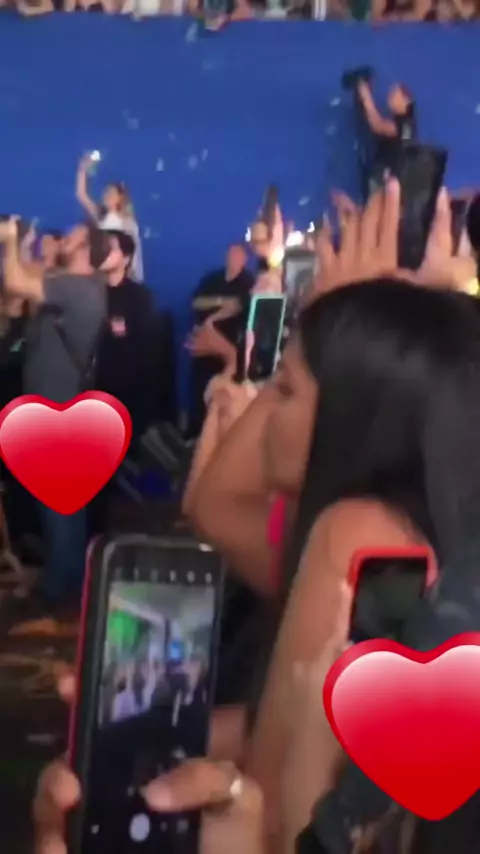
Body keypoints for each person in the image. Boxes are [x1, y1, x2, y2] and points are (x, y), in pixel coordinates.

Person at [246, 184, 480, 846]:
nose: (265, 412)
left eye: (284, 389)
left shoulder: (354, 532)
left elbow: (275, 816)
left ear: (349, 408)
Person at [0, 218, 114, 621]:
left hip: (56, 409)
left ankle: (60, 593)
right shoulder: (79, 285)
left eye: (73, 238)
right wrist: (24, 247)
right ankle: (68, 582)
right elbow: (28, 277)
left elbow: (16, 281)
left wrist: (10, 242)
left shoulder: (77, 289)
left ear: (85, 252)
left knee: (58, 503)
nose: (64, 239)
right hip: (59, 407)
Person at [95, 230, 157, 442]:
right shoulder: (91, 292)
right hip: (94, 382)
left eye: (111, 248)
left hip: (127, 386)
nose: (103, 253)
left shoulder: (139, 296)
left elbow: (145, 347)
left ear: (126, 258)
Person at [188, 244, 254, 436]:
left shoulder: (248, 281)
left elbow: (238, 306)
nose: (233, 258)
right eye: (231, 254)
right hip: (203, 346)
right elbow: (196, 302)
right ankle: (195, 431)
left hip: (231, 346)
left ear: (244, 259)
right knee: (200, 389)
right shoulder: (211, 279)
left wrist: (212, 317)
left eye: (238, 255)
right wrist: (221, 301)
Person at [75, 155, 143, 282]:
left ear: (120, 198)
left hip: (120, 275)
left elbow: (133, 253)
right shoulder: (100, 216)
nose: (107, 195)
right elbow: (81, 195)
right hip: (100, 273)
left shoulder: (128, 223)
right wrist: (82, 170)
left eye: (111, 192)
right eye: (106, 192)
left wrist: (130, 276)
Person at [355, 78, 417, 198]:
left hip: (386, 178)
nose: (390, 97)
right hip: (392, 178)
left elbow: (378, 125)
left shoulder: (405, 123)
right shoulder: (407, 123)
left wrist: (365, 94)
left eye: (394, 95)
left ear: (406, 100)